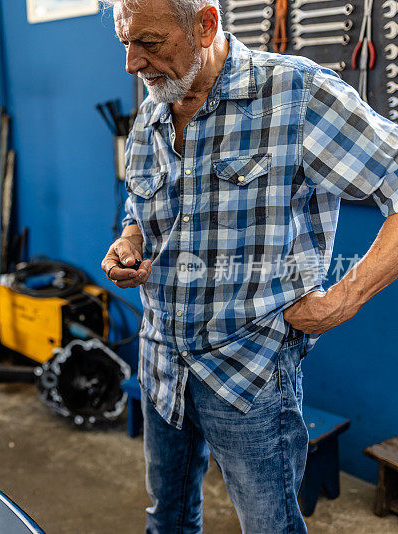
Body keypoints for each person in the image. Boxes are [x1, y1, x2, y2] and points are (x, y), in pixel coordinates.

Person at [101, 0, 398, 532]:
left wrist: (340, 300)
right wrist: (129, 240)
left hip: (249, 372)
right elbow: (140, 210)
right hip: (161, 361)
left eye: (149, 43)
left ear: (206, 23)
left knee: (270, 526)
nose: (132, 64)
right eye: (124, 42)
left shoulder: (296, 93)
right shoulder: (152, 107)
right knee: (165, 517)